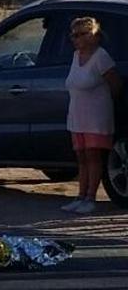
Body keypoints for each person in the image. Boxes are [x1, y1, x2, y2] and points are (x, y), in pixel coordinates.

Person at [61, 17, 122, 214]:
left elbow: (115, 84)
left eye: (81, 34)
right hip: (77, 114)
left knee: (93, 156)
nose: (76, 39)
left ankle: (91, 197)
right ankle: (80, 195)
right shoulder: (75, 56)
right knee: (81, 157)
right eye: (74, 35)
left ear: (93, 36)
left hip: (96, 115)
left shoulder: (101, 57)